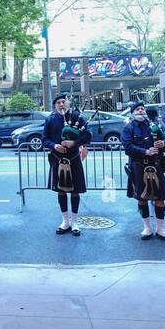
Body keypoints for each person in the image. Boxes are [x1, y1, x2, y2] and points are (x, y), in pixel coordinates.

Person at [121, 100, 165, 241]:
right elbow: (127, 147)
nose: (140, 111)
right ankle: (147, 228)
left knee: (160, 198)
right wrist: (146, 151)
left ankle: (161, 229)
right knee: (142, 198)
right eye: (137, 109)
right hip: (138, 166)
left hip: (156, 166)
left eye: (142, 109)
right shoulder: (128, 128)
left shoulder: (154, 126)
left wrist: (164, 143)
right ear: (132, 113)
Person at [43, 95, 92, 236]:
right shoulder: (50, 120)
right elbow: (44, 139)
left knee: (75, 190)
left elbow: (88, 135)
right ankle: (65, 221)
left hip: (74, 158)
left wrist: (74, 143)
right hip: (57, 158)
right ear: (55, 106)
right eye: (58, 102)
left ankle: (75, 221)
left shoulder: (77, 117)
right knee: (61, 190)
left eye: (63, 102)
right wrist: (54, 146)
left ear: (68, 103)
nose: (61, 104)